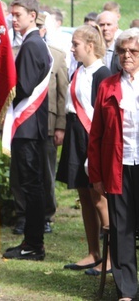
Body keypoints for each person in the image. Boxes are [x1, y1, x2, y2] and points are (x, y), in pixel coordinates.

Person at [88, 27, 139, 301]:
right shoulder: (108, 85)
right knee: (121, 229)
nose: (126, 56)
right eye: (122, 51)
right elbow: (96, 134)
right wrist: (96, 175)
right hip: (117, 168)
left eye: (133, 51)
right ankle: (127, 291)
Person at [56, 25, 111, 274]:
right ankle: (93, 253)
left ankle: (111, 257)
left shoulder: (102, 74)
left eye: (76, 43)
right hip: (75, 134)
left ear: (90, 45)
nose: (72, 47)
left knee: (100, 199)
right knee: (85, 197)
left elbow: (102, 114)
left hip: (91, 138)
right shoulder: (79, 70)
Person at [3, 0, 51, 260]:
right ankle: (31, 241)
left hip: (29, 126)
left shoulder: (32, 44)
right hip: (29, 127)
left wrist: (3, 93)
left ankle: (34, 244)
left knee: (31, 186)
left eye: (18, 14)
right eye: (12, 14)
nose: (13, 18)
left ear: (32, 15)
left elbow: (24, 87)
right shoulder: (33, 42)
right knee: (30, 185)